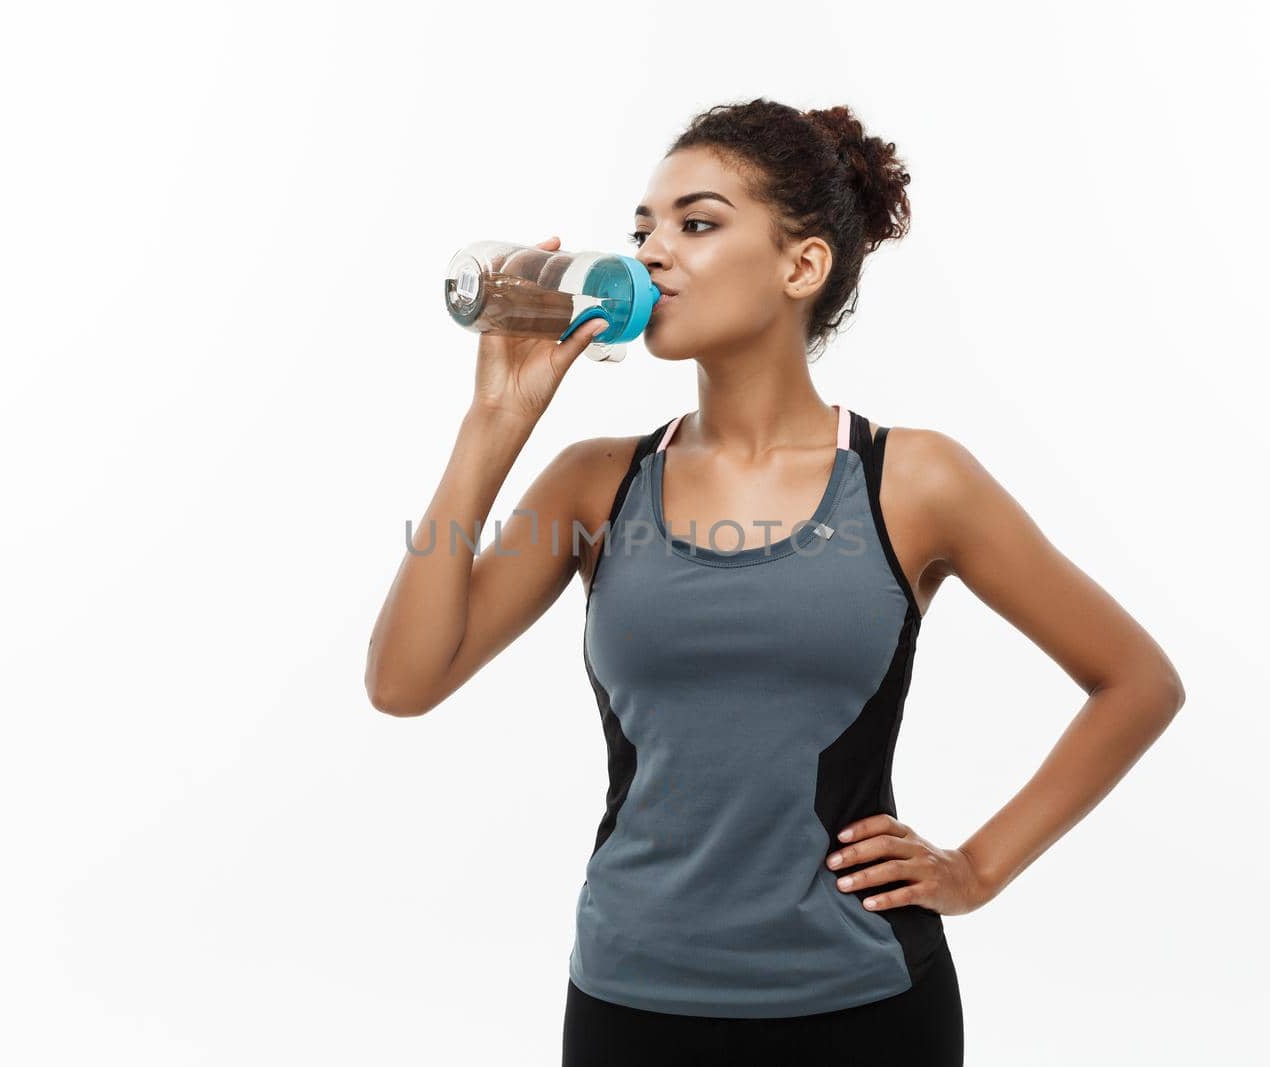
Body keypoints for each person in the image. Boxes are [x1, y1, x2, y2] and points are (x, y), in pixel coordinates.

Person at [366, 98, 1186, 1067]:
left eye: (697, 223)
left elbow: (1136, 681)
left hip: (866, 1003)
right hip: (630, 996)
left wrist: (975, 868)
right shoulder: (594, 480)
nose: (651, 253)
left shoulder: (914, 479)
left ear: (801, 265)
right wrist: (495, 421)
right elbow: (404, 683)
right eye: (642, 229)